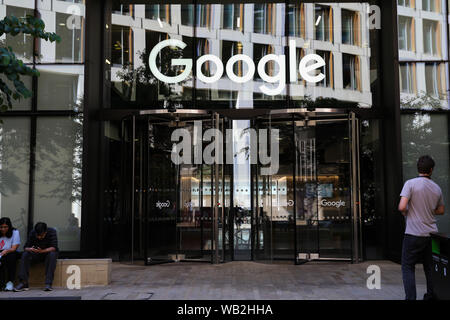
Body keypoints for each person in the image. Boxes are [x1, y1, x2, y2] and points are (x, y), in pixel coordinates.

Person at [398, 155, 445, 300]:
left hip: (412, 233)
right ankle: (431, 295)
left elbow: (401, 207)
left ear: (418, 168)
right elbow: (441, 210)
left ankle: (411, 298)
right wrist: (429, 210)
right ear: (431, 170)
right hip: (431, 234)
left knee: (408, 267)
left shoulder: (410, 184)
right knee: (430, 267)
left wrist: (407, 213)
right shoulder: (436, 188)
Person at [14, 222, 58, 292]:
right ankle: (23, 282)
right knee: (25, 254)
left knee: (52, 254)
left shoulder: (52, 232)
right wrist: (30, 249)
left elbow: (54, 247)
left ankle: (48, 283)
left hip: (47, 254)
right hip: (35, 254)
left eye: (41, 235)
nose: (39, 237)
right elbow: (25, 247)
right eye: (38, 236)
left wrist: (42, 251)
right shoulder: (33, 233)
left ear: (45, 232)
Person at [0, 217, 20, 291]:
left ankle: (10, 282)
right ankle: (1, 284)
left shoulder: (15, 232)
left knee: (11, 257)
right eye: (1, 227)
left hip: (11, 252)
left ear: (9, 226)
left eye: (5, 227)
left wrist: (5, 251)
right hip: (1, 252)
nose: (3, 229)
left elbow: (14, 248)